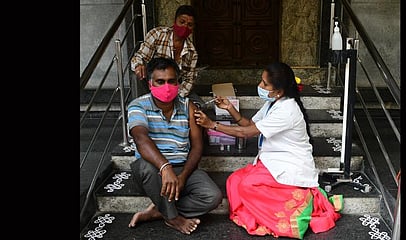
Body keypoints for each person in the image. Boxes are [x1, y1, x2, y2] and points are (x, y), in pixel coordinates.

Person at [194, 62, 342, 239]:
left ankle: (303, 202)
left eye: (265, 84)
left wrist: (212, 125)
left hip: (290, 164)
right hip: (272, 160)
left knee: (247, 186)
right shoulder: (274, 102)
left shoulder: (287, 110)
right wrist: (230, 108)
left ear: (278, 91)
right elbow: (250, 124)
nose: (260, 86)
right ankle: (262, 213)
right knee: (234, 181)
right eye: (261, 81)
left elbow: (246, 133)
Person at [127, 57, 222, 235]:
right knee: (146, 168)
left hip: (182, 167)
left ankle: (159, 210)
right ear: (150, 84)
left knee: (213, 197)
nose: (167, 86)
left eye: (171, 81)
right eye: (160, 82)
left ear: (178, 83)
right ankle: (173, 218)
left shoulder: (188, 107)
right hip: (153, 171)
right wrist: (165, 167)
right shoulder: (138, 106)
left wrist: (184, 176)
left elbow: (197, 147)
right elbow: (140, 138)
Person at [131, 5, 201, 102]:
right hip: (154, 84)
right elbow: (139, 57)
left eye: (189, 24)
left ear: (193, 28)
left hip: (174, 88)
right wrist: (139, 65)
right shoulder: (157, 34)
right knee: (136, 76)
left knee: (199, 105)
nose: (185, 27)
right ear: (175, 21)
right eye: (182, 22)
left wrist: (175, 96)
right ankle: (143, 106)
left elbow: (189, 79)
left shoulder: (192, 52)